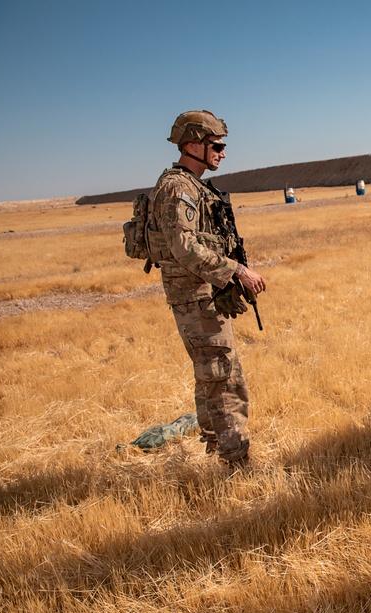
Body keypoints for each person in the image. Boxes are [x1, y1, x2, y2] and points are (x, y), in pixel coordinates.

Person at [146, 110, 266, 469]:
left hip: (203, 296)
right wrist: (237, 270)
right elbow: (184, 247)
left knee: (212, 375)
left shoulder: (193, 186)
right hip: (195, 298)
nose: (223, 153)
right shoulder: (178, 188)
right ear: (194, 144)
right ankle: (237, 462)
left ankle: (218, 452)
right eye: (217, 145)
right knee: (224, 377)